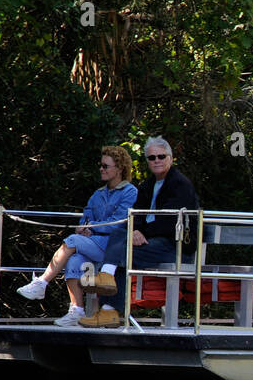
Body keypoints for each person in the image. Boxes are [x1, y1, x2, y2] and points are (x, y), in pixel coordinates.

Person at [80, 136, 200, 328]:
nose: (157, 161)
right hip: (151, 242)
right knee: (120, 236)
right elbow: (133, 216)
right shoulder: (147, 185)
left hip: (175, 247)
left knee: (121, 252)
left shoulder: (180, 184)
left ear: (170, 158)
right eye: (152, 158)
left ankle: (108, 297)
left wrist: (141, 233)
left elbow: (169, 223)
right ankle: (108, 307)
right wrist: (135, 230)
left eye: (161, 156)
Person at [17, 147, 137, 326]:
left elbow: (119, 222)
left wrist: (92, 228)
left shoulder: (130, 192)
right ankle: (77, 310)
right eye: (100, 165)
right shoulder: (98, 194)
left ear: (119, 169)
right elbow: (86, 217)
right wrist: (84, 227)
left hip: (113, 247)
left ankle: (42, 282)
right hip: (94, 242)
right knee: (74, 259)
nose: (101, 169)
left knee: (71, 241)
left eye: (105, 166)